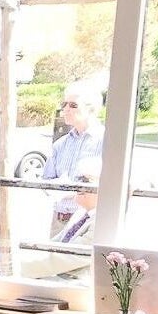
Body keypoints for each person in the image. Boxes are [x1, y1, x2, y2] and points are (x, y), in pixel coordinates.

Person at [44, 83, 104, 237]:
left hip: (88, 221)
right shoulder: (60, 144)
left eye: (73, 105)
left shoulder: (106, 142)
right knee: (51, 259)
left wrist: (73, 190)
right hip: (59, 219)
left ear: (91, 109)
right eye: (64, 104)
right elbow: (45, 181)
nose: (66, 109)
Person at [55, 157, 103, 244]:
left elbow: (69, 256)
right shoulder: (81, 213)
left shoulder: (102, 223)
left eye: (85, 180)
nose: (79, 184)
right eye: (78, 179)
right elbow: (56, 242)